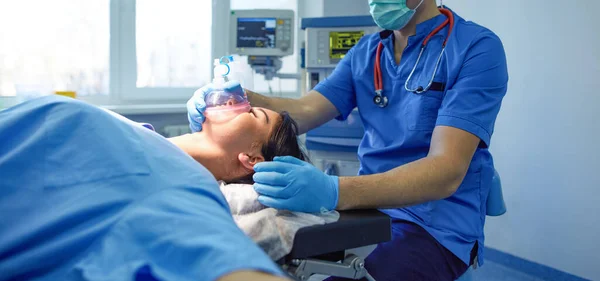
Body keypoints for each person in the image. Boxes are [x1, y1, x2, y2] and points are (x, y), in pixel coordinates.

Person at [187, 0, 508, 280]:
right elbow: (307, 109)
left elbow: (446, 170)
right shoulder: (368, 52)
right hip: (370, 209)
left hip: (436, 223)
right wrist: (239, 97)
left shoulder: (476, 48)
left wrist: (333, 190)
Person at [0, 95, 305, 281]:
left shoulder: (180, 186)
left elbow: (223, 261)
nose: (238, 102)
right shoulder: (142, 137)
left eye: (253, 113)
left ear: (251, 159)